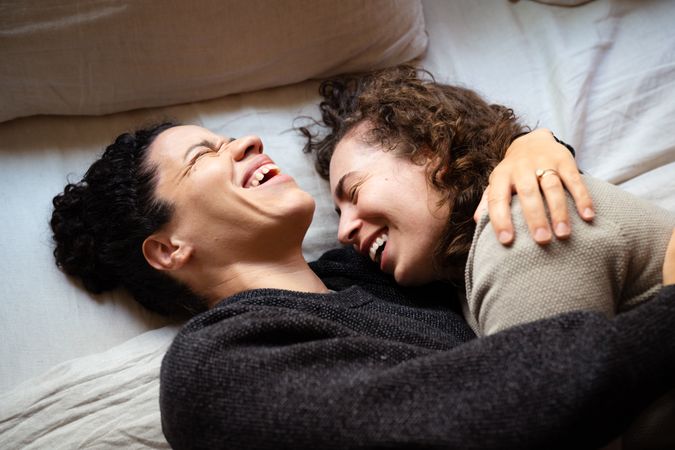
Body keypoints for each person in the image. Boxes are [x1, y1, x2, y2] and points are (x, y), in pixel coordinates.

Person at [50, 122, 675, 449]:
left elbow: (464, 200)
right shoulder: (215, 368)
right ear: (168, 248)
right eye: (204, 156)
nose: (246, 142)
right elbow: (478, 416)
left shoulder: (377, 272)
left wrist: (531, 146)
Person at [303, 65, 675, 448]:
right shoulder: (467, 270)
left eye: (354, 192)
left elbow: (550, 428)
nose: (345, 232)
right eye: (339, 214)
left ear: (431, 152)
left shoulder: (523, 221)